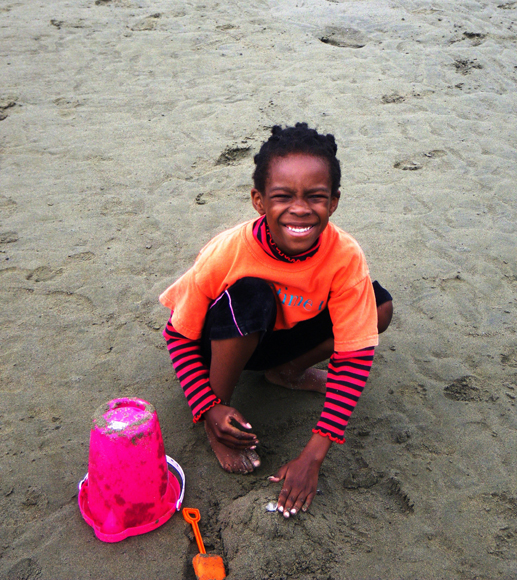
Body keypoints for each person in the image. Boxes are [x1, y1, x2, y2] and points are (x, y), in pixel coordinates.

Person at [159, 123, 393, 518]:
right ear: (259, 201)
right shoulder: (228, 251)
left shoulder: (345, 256)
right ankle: (220, 418)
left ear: (334, 202)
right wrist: (207, 405)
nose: (300, 209)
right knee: (252, 293)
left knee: (378, 307)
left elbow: (354, 358)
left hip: (279, 337)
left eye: (315, 196)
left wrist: (312, 456)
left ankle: (286, 372)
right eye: (283, 196)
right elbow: (178, 335)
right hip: (225, 339)